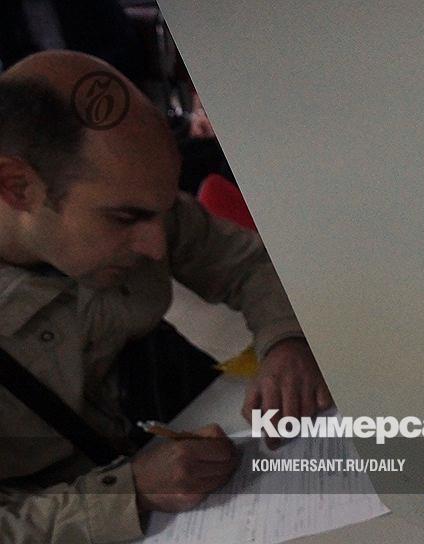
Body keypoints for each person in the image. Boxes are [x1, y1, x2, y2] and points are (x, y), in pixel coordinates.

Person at [0, 51, 332, 543]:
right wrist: (129, 492)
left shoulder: (126, 195)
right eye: (125, 219)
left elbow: (248, 264)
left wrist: (286, 341)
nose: (157, 246)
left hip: (187, 435)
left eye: (164, 210)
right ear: (18, 187)